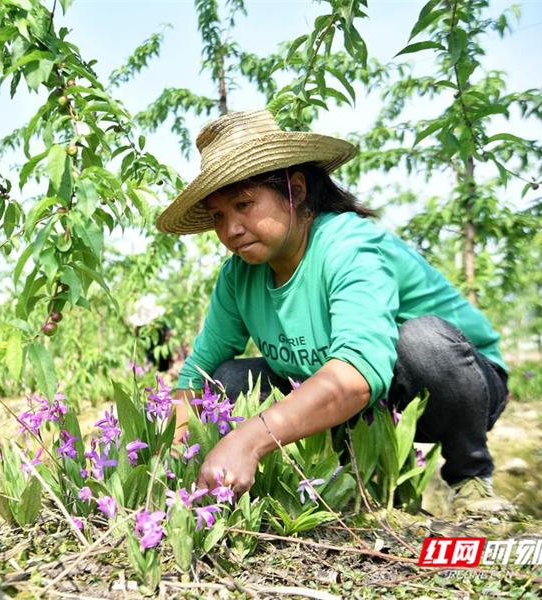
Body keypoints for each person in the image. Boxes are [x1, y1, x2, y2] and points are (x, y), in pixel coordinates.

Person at [158, 109, 512, 515]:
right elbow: (199, 370)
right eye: (219, 215)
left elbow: (358, 374)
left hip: (451, 383)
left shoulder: (348, 245)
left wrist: (248, 440)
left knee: (423, 341)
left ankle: (471, 479)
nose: (230, 229)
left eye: (243, 204)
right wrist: (169, 459)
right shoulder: (239, 276)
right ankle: (342, 482)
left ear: (296, 190)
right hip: (351, 397)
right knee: (226, 380)